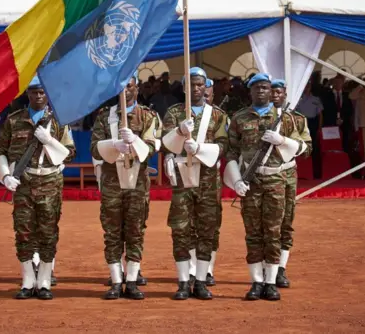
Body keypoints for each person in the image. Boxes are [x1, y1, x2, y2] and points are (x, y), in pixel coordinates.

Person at [223, 73, 311, 301]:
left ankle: (271, 282)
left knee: (273, 232)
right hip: (250, 182)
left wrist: (282, 141)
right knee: (253, 233)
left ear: (272, 91)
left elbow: (305, 148)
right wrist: (236, 181)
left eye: (265, 87)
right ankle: (256, 282)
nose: (261, 91)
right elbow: (231, 151)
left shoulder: (287, 119)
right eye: (257, 88)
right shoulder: (239, 118)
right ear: (250, 91)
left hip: (276, 180)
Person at [0, 76, 75, 300]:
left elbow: (69, 152)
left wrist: (48, 140)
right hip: (24, 182)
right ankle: (28, 281)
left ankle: (45, 281)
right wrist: (6, 176)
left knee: (48, 233)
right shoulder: (14, 120)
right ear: (27, 94)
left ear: (47, 94)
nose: (38, 96)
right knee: (23, 232)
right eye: (34, 92)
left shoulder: (59, 121)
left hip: (50, 181)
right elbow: (0, 150)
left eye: (42, 92)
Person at [90, 73, 160, 300]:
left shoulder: (147, 116)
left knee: (135, 231)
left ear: (136, 89)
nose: (125, 91)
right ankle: (115, 280)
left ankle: (131, 281)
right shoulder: (105, 117)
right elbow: (94, 148)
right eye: (121, 87)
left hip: (137, 180)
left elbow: (151, 148)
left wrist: (135, 141)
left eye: (129, 86)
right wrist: (114, 144)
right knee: (112, 232)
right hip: (112, 179)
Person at [162, 67, 228, 300]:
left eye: (200, 84)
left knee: (207, 229)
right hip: (182, 177)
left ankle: (201, 280)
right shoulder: (174, 113)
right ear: (184, 87)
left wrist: (201, 149)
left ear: (206, 86)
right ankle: (183, 281)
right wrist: (180, 132)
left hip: (208, 179)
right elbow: (166, 144)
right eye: (192, 84)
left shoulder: (218, 115)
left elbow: (224, 145)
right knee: (180, 229)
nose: (196, 88)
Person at [270, 79, 311, 288]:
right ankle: (266, 269)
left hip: (287, 176)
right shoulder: (259, 118)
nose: (276, 95)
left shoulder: (297, 120)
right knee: (265, 225)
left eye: (279, 92)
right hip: (264, 176)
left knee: (286, 222)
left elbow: (307, 148)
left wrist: (285, 142)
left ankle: (281, 269)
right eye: (272, 92)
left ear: (285, 94)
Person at [296, 81, 323, 178]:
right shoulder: (298, 98)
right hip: (301, 122)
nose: (307, 87)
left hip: (313, 123)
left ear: (311, 87)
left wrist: (319, 128)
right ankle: (302, 171)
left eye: (308, 86)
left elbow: (320, 115)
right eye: (305, 85)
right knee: (301, 146)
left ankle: (315, 172)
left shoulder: (316, 99)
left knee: (314, 147)